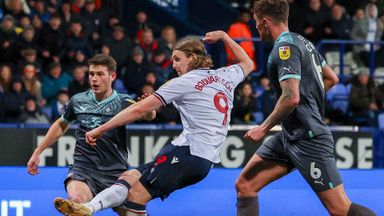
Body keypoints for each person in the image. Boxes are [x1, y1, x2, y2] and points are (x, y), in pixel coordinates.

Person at [53, 30, 254, 216]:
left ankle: (89, 208)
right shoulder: (224, 75)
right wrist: (225, 37)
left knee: (135, 197)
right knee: (129, 176)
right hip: (190, 152)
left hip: (191, 154)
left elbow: (138, 109)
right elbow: (248, 63)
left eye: (177, 59)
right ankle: (88, 207)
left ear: (193, 58)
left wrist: (101, 129)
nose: (173, 65)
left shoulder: (183, 82)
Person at [235, 1, 377, 216]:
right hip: (289, 135)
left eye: (255, 22)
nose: (255, 27)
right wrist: (309, 97)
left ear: (265, 22)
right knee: (245, 185)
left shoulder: (285, 48)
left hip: (309, 138)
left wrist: (263, 128)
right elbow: (332, 78)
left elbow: (291, 98)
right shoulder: (304, 42)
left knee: (339, 209)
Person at [27, 54, 156, 216]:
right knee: (77, 204)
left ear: (112, 76)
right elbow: (61, 124)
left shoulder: (123, 101)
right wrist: (38, 151)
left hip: (115, 173)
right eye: (91, 74)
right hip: (84, 170)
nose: (94, 79)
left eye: (100, 74)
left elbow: (146, 115)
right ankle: (76, 207)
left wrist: (150, 108)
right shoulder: (78, 100)